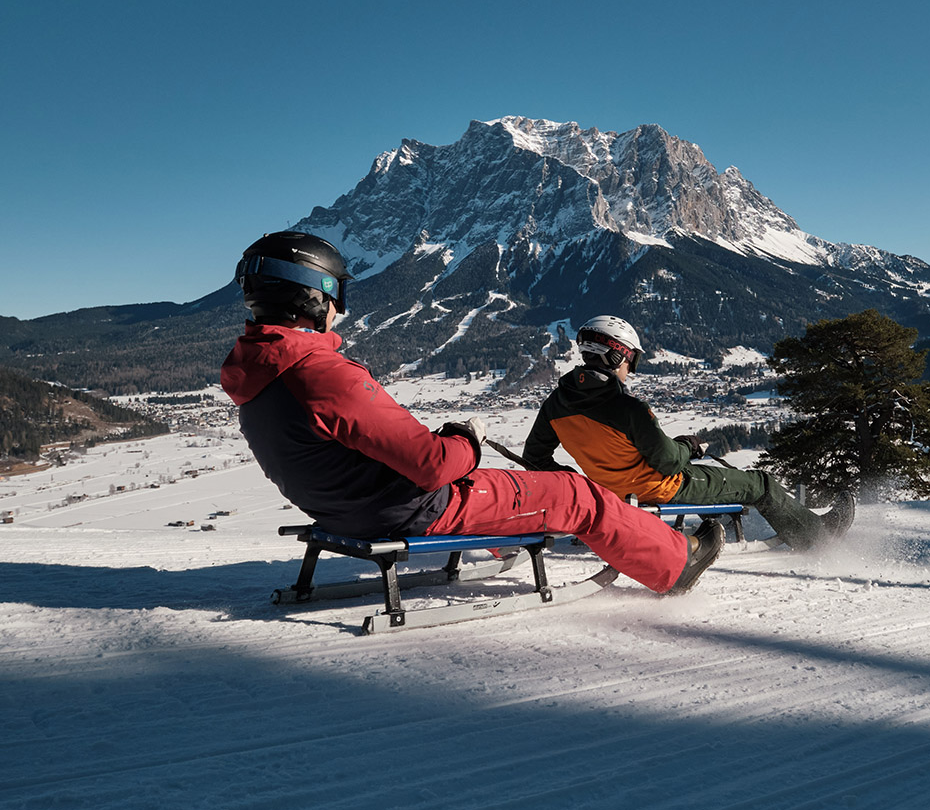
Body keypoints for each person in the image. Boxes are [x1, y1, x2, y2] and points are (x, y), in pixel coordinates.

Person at [220, 232, 723, 596]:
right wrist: (466, 439)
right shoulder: (320, 372)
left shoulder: (260, 377)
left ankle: (514, 537)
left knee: (516, 484)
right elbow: (433, 465)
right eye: (337, 294)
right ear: (316, 295)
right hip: (414, 507)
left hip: (346, 509)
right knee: (577, 493)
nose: (341, 308)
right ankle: (675, 563)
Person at [523, 315, 854, 551]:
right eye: (630, 362)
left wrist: (581, 485)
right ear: (617, 356)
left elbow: (535, 457)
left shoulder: (557, 403)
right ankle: (816, 537)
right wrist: (688, 445)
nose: (630, 370)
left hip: (609, 491)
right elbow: (668, 462)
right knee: (761, 483)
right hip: (663, 487)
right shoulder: (628, 408)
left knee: (728, 480)